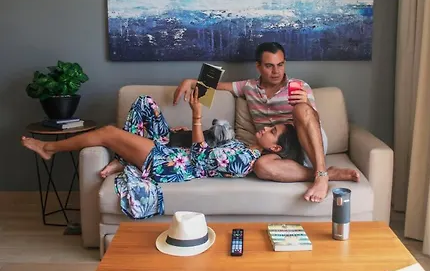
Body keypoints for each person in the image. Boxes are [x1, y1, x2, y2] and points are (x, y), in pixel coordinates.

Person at [21, 88, 302, 218]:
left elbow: (201, 158)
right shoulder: (244, 145)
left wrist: (196, 116)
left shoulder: (246, 160)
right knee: (144, 102)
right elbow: (206, 144)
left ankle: (49, 148)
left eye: (273, 131)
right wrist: (186, 132)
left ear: (276, 148)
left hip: (171, 164)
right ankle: (125, 159)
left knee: (107, 132)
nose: (266, 127)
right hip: (175, 148)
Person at [173, 42, 359, 203]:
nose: (276, 71)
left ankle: (321, 174)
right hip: (278, 151)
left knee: (301, 109)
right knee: (261, 167)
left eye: (280, 65)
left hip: (307, 144)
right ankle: (329, 173)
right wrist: (191, 81)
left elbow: (313, 123)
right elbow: (218, 85)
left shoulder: (299, 87)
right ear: (258, 66)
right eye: (269, 66)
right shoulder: (248, 87)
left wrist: (307, 104)